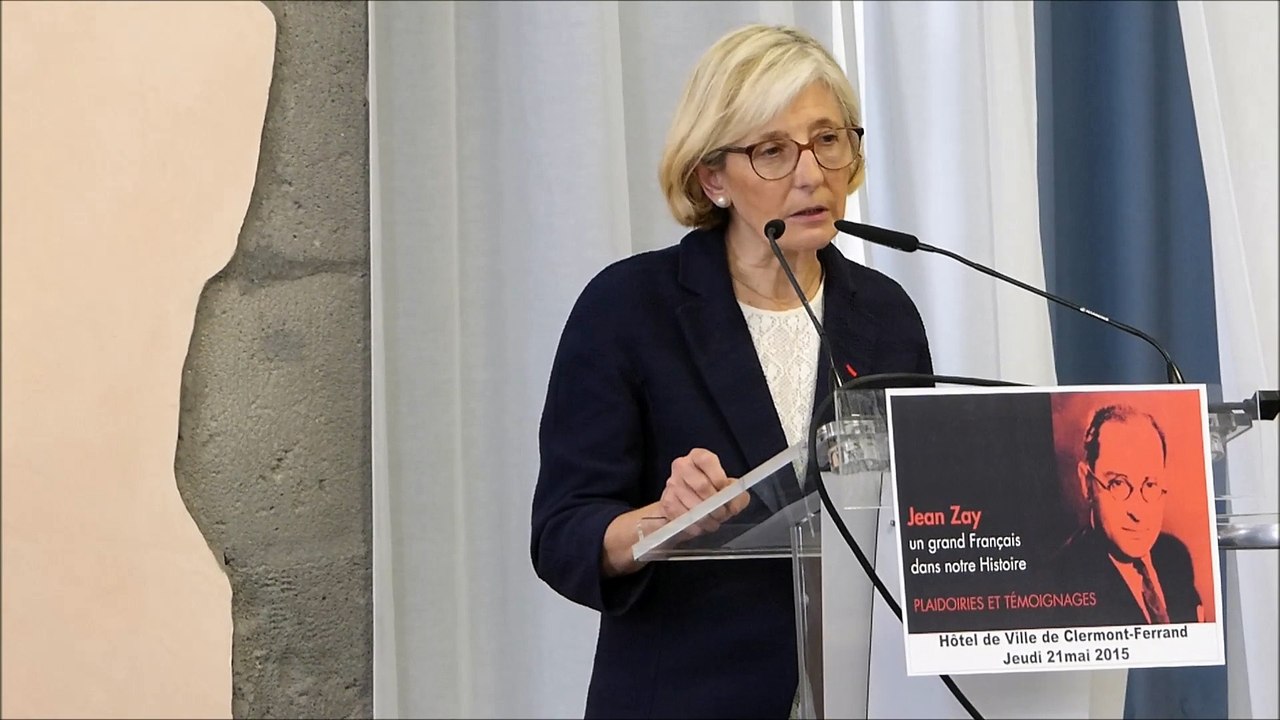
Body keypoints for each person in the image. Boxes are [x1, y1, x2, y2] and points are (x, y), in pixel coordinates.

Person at [530, 24, 933, 719]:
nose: (811, 173)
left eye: (828, 139)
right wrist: (661, 522)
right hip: (688, 697)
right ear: (712, 177)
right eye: (772, 150)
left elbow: (914, 516)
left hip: (861, 698)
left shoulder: (886, 315)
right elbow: (562, 532)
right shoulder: (629, 309)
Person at [1042, 404, 1203, 628]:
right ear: (1086, 483)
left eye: (1150, 484)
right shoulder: (1059, 580)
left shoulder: (1175, 556)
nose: (1137, 512)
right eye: (1118, 483)